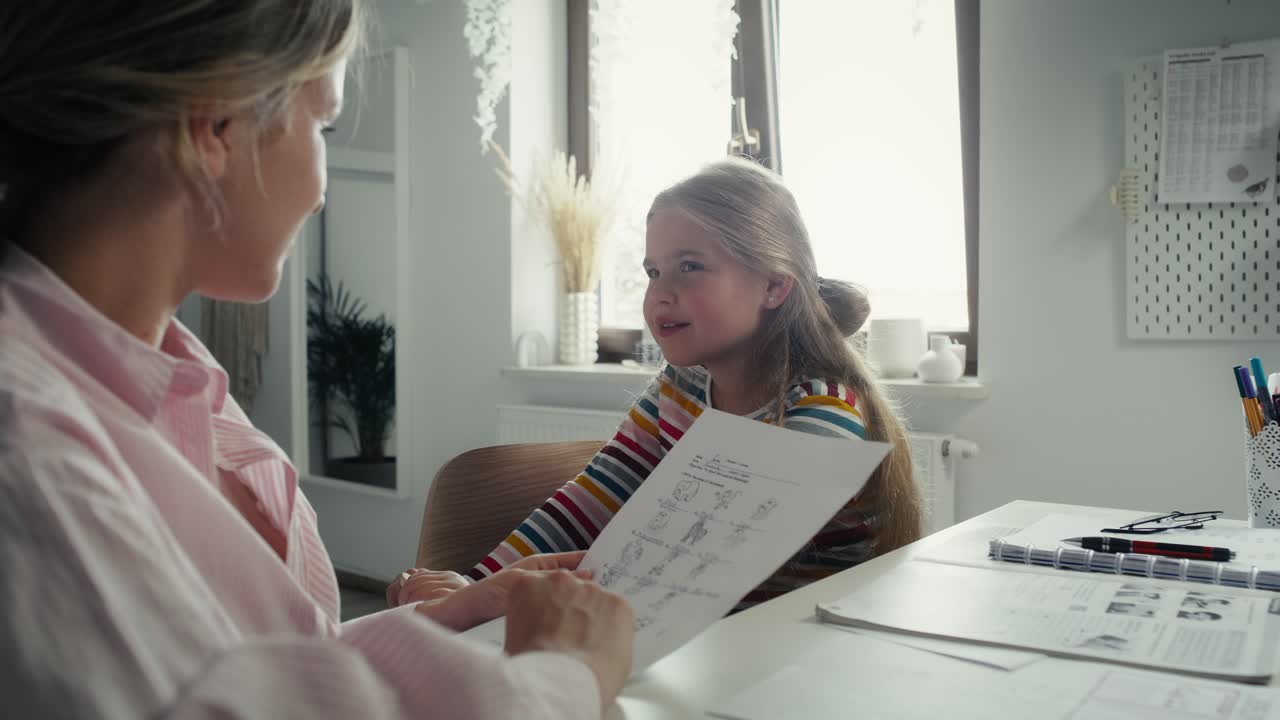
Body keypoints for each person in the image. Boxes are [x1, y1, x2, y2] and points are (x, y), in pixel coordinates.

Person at [0, 3, 633, 718]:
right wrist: (564, 676)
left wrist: (452, 615)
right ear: (216, 127)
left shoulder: (175, 377)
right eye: (322, 125)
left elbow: (242, 665)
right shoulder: (29, 451)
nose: (322, 185)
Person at [392, 157, 922, 611]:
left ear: (774, 285)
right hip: (713, 645)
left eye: (690, 267)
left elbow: (693, 567)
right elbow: (591, 500)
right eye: (652, 272)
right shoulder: (681, 389)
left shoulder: (823, 411)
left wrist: (495, 598)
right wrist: (478, 586)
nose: (659, 295)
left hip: (801, 654)